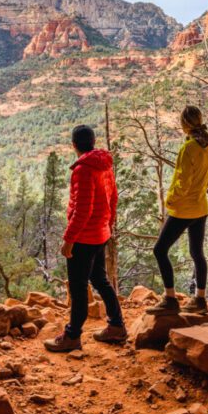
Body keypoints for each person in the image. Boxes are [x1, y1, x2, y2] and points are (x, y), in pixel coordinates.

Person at [44, 124, 127, 352]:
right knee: (100, 280)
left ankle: (72, 336)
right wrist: (107, 226)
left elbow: (82, 210)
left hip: (85, 237)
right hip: (101, 233)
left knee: (79, 288)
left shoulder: (83, 169)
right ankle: (117, 326)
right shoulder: (104, 165)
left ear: (74, 145)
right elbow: (113, 198)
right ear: (92, 142)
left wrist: (68, 240)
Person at [150, 105, 208, 314]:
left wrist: (170, 201)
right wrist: (199, 190)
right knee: (197, 253)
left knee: (160, 250)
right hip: (201, 207)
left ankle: (170, 299)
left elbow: (182, 182)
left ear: (184, 124)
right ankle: (200, 300)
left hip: (184, 209)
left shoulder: (188, 148)